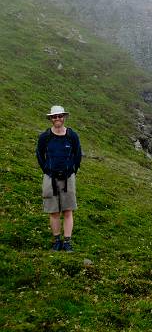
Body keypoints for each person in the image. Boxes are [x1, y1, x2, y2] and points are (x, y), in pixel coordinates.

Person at [36, 105, 82, 252]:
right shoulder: (45, 137)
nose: (57, 119)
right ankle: (57, 241)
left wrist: (73, 170)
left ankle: (67, 242)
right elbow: (39, 154)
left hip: (68, 177)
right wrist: (47, 170)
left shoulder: (72, 135)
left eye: (60, 116)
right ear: (50, 119)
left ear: (64, 117)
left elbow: (78, 154)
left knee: (68, 211)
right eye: (54, 116)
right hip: (50, 177)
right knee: (54, 211)